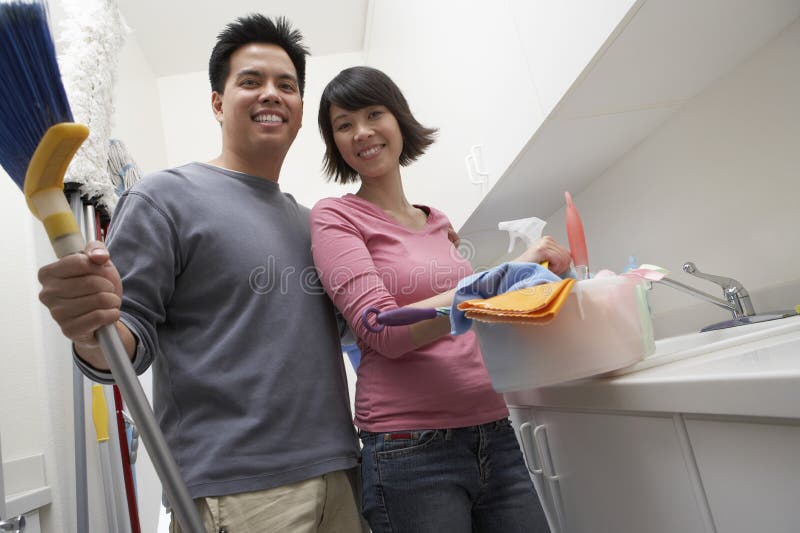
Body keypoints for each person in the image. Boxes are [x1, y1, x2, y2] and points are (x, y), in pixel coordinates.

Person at [37, 15, 363, 533]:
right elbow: (124, 345)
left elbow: (358, 328)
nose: (272, 94)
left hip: (344, 476)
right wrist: (87, 325)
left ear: (301, 111)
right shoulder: (166, 198)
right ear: (217, 102)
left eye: (288, 86)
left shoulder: (314, 224)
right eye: (251, 81)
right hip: (237, 491)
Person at [310, 65, 572, 533]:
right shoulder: (336, 216)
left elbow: (469, 317)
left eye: (374, 113)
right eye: (344, 124)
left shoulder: (437, 221)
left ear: (399, 119)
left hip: (494, 430)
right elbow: (380, 329)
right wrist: (497, 279)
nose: (362, 132)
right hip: (410, 449)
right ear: (335, 143)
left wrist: (529, 284)